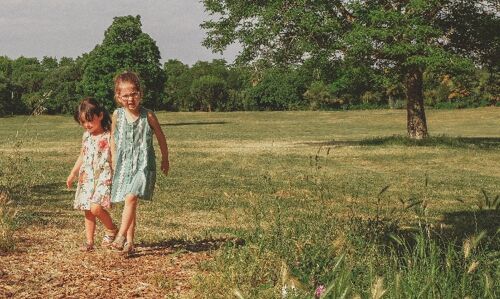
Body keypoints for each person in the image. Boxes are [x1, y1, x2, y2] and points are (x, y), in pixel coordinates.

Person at [110, 71, 170, 255]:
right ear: (119, 97)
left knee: (131, 197)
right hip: (125, 164)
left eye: (134, 94)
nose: (130, 98)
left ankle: (120, 236)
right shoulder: (117, 115)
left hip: (143, 165)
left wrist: (165, 158)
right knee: (131, 202)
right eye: (125, 95)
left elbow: (161, 137)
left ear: (140, 94)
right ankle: (130, 243)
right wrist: (113, 159)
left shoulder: (148, 116)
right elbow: (113, 137)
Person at [67, 97, 118, 252]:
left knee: (96, 208)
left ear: (100, 115)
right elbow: (82, 155)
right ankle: (89, 242)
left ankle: (111, 229)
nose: (86, 125)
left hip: (103, 175)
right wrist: (73, 173)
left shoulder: (109, 135)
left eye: (89, 120)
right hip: (87, 175)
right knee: (87, 209)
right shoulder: (86, 136)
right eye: (83, 122)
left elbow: (114, 156)